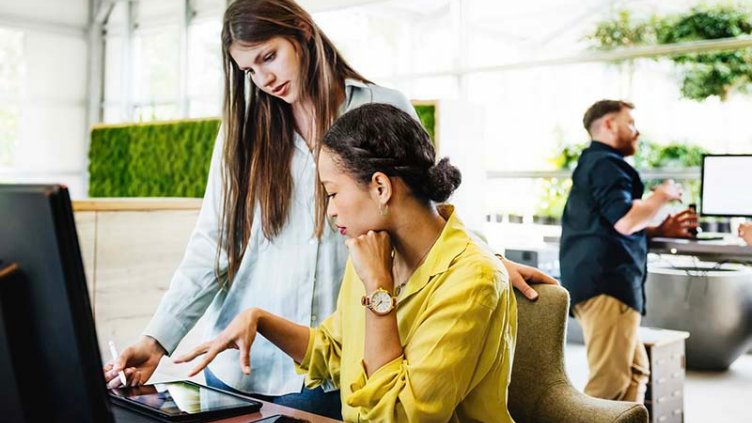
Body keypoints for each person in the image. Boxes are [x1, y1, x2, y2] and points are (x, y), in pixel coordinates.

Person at [103, 0, 552, 418]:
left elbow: (423, 200)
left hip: (341, 369)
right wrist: (157, 338)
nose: (263, 80)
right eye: (248, 70)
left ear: (301, 33)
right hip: (243, 359)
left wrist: (483, 259)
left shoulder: (383, 105)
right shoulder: (243, 136)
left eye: (268, 57)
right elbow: (214, 244)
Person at [174, 103, 518, 422]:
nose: (330, 211)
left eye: (333, 193)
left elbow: (399, 417)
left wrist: (379, 292)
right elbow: (337, 351)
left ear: (380, 187)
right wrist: (260, 319)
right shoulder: (375, 251)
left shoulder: (473, 281)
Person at [560, 99, 698, 403]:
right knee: (610, 382)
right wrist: (661, 196)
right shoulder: (607, 164)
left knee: (635, 373)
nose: (637, 132)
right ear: (609, 125)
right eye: (630, 123)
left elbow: (609, 225)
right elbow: (624, 220)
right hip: (607, 286)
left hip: (603, 283)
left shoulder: (593, 164)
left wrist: (660, 230)